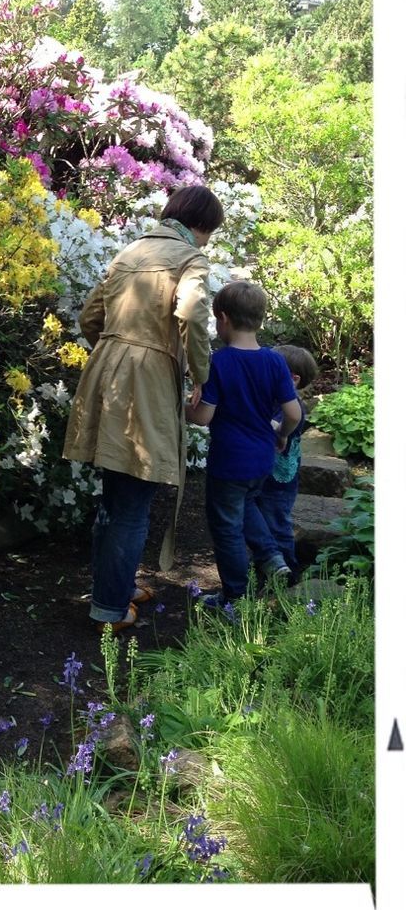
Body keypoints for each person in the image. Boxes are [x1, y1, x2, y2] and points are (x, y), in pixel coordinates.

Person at [63, 184, 225, 633]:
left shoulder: (129, 252)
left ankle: (111, 588)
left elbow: (89, 319)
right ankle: (110, 608)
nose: (208, 241)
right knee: (133, 500)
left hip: (104, 375)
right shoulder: (190, 257)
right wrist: (200, 375)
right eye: (210, 233)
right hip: (147, 382)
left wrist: (116, 353)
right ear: (201, 226)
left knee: (115, 496)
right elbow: (192, 314)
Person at [185, 281, 301, 605]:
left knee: (227, 529)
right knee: (248, 504)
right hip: (262, 458)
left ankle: (235, 598)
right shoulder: (275, 361)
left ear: (222, 318)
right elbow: (292, 412)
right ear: (260, 319)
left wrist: (177, 405)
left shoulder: (219, 362)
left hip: (229, 462)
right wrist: (282, 434)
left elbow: (203, 417)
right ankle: (272, 558)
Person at [247, 344, 319, 584]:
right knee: (260, 519)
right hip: (265, 473)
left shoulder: (292, 407)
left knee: (277, 523)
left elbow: (275, 429)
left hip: (280, 480)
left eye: (271, 371)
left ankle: (288, 571)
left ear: (293, 380)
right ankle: (266, 568)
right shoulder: (275, 400)